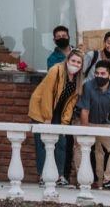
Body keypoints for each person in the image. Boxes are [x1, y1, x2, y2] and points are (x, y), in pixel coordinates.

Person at [28, 49, 84, 186]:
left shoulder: (78, 79)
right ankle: (42, 176)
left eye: (78, 62)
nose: (75, 64)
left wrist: (65, 122)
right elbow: (47, 94)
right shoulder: (56, 70)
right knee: (42, 144)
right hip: (42, 110)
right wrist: (47, 117)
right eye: (73, 61)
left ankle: (59, 176)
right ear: (67, 60)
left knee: (61, 143)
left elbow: (71, 103)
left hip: (59, 112)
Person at [73, 59, 110, 190]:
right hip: (87, 122)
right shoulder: (88, 86)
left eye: (103, 74)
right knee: (79, 146)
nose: (99, 76)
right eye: (97, 73)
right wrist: (86, 133)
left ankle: (109, 179)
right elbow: (84, 111)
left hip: (104, 126)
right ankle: (82, 179)